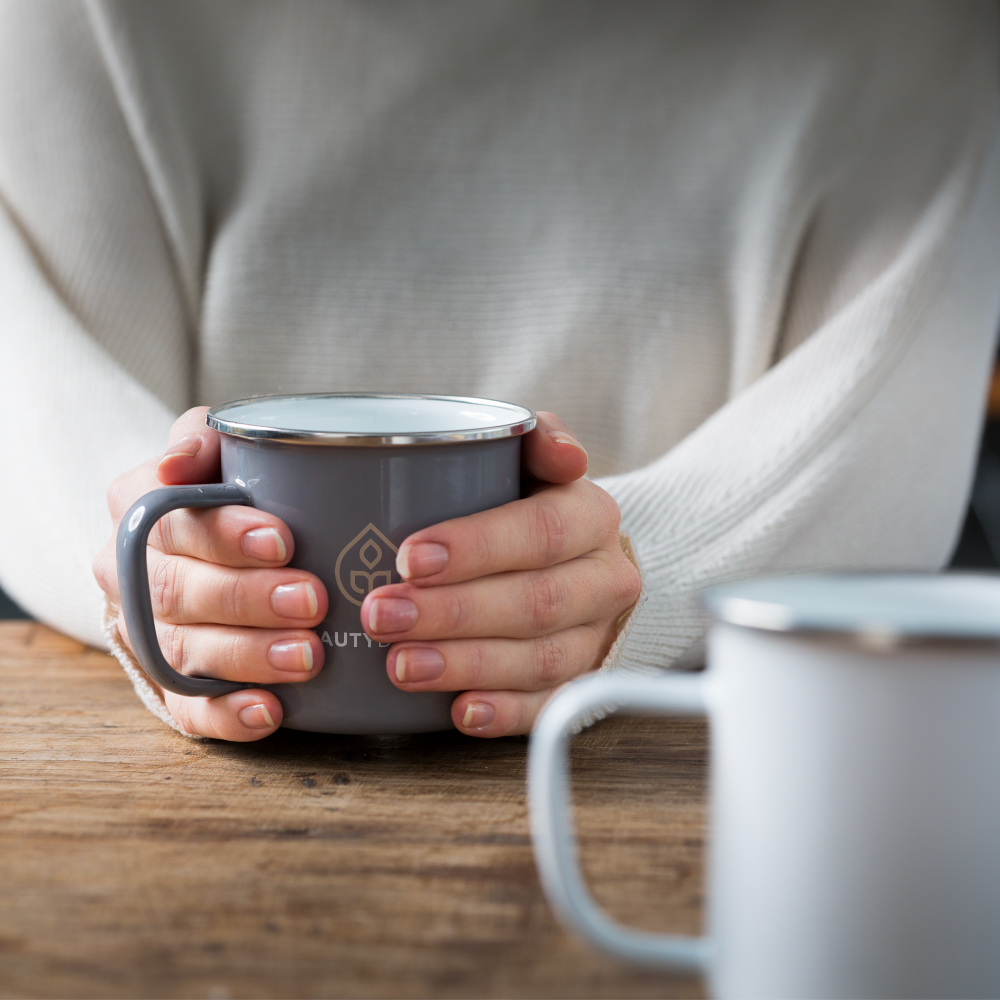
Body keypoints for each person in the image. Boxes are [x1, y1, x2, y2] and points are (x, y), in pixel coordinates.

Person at [2, 0, 999, 741]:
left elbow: (887, 421)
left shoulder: (925, 33)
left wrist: (627, 574)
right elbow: (33, 387)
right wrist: (165, 582)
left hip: (729, 765)